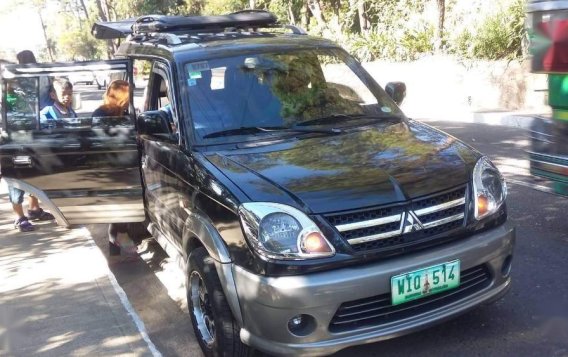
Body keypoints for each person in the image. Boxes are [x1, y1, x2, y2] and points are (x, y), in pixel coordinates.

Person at [1, 55, 54, 231]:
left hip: (29, 139)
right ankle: (19, 217)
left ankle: (34, 209)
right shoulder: (4, 99)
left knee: (33, 175)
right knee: (16, 179)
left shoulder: (24, 94)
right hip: (12, 143)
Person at [91, 79, 133, 256]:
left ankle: (118, 246)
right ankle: (117, 247)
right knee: (118, 208)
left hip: (122, 166)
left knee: (122, 208)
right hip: (109, 168)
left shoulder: (123, 112)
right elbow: (101, 142)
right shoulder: (100, 114)